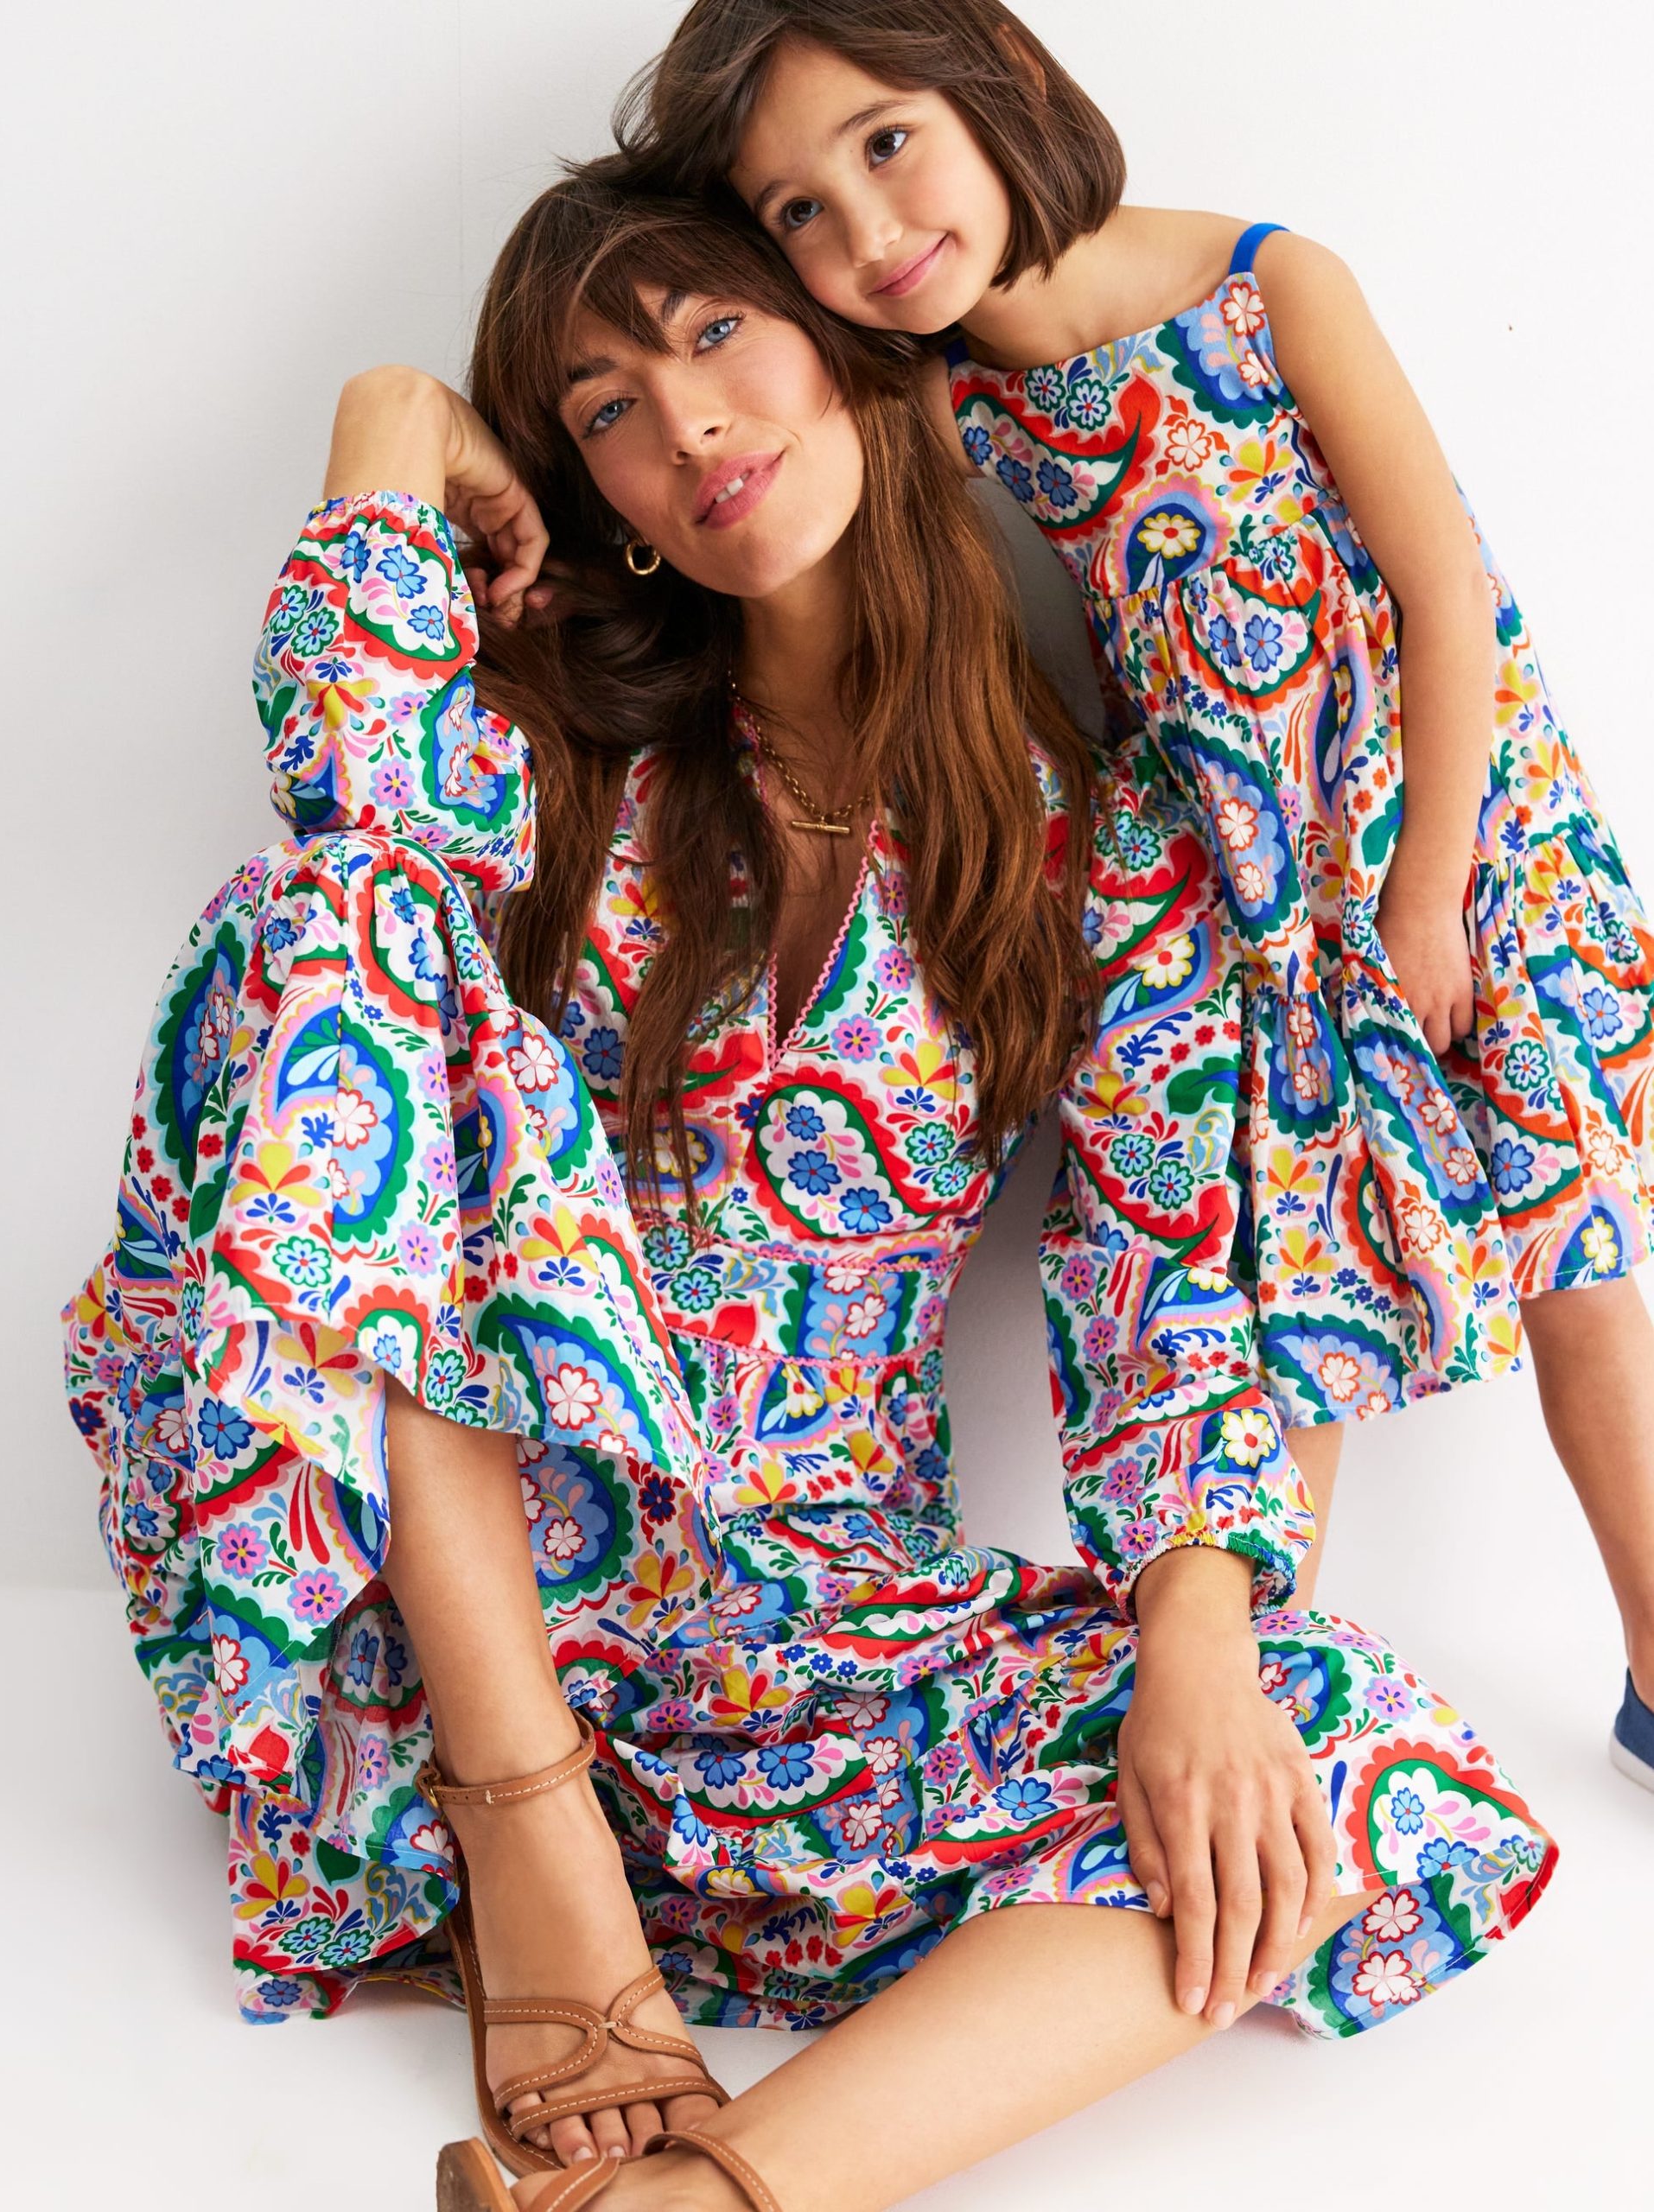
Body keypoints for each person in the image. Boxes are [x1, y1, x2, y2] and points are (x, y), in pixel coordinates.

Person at [64, 168, 1554, 2212]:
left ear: (854, 360)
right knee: (329, 924)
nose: (683, 424)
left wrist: (1204, 1638)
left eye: (714, 336)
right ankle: (530, 1840)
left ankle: (689, 2201)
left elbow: (1171, 1290)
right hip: (459, 1634)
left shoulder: (1092, 847)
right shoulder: (550, 758)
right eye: (603, 406)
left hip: (816, 1676)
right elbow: (341, 823)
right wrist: (391, 417)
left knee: (1342, 1750)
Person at [627, 0, 1654, 1767]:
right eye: (798, 210)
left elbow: (1446, 588)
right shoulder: (947, 397)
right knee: (1290, 1289)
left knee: (1579, 1242)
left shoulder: (1263, 284)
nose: (868, 229)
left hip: (1445, 829)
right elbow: (797, 509)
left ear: (997, 81)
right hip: (1234, 897)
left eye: (887, 143)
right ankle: (1258, 1708)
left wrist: (1427, 885)